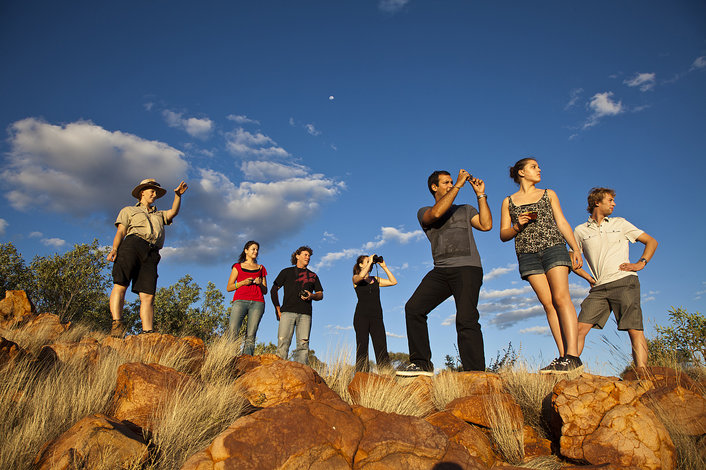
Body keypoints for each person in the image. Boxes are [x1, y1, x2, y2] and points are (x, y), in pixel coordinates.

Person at [398, 169, 492, 377]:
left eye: (451, 182)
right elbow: (436, 214)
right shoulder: (424, 211)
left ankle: (475, 373)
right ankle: (421, 364)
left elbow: (486, 225)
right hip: (441, 270)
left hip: (468, 268)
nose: (450, 185)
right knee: (413, 308)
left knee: (466, 318)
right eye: (446, 183)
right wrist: (458, 184)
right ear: (434, 187)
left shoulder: (466, 209)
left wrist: (480, 195)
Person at [499, 158, 583, 373]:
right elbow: (503, 234)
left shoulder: (548, 194)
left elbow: (561, 222)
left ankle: (573, 355)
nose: (539, 169)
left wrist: (575, 248)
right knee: (548, 304)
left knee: (561, 298)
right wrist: (518, 225)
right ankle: (563, 357)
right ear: (521, 172)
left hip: (553, 247)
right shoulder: (508, 201)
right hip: (527, 254)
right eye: (534, 167)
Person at [572, 188, 657, 370]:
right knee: (578, 329)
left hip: (624, 281)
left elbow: (651, 241)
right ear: (597, 202)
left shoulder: (621, 223)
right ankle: (569, 370)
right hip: (599, 288)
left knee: (634, 329)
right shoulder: (580, 231)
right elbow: (573, 260)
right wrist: (588, 278)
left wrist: (641, 263)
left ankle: (642, 374)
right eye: (610, 200)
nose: (614, 204)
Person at [107, 178, 188, 336]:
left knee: (148, 294)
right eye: (152, 191)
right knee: (121, 284)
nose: (154, 194)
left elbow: (173, 212)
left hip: (152, 252)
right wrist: (115, 249)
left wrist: (178, 196)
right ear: (142, 192)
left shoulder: (159, 214)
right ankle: (117, 323)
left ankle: (148, 333)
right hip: (132, 245)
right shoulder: (128, 210)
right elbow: (121, 231)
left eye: (156, 192)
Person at [270, 246, 323, 364]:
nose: (308, 257)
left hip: (305, 314)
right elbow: (273, 290)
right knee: (283, 343)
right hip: (287, 312)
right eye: (305, 255)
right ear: (297, 256)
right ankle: (279, 371)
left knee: (303, 346)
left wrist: (311, 295)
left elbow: (320, 294)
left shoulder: (313, 275)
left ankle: (300, 373)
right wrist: (277, 308)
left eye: (309, 256)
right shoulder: (286, 272)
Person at [352, 254, 397, 372]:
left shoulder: (375, 279)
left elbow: (393, 282)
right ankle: (362, 374)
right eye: (367, 261)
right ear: (360, 265)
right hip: (361, 316)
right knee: (362, 346)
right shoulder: (356, 279)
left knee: (381, 346)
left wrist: (384, 267)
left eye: (370, 261)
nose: (370, 263)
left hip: (377, 317)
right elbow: (360, 277)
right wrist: (370, 261)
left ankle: (385, 373)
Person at [226, 240, 268, 355]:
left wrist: (260, 283)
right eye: (253, 249)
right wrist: (242, 283)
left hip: (257, 303)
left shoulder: (261, 268)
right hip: (240, 301)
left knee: (251, 335)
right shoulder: (237, 267)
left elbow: (265, 290)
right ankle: (230, 357)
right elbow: (229, 287)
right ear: (246, 251)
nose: (256, 251)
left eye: (257, 250)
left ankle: (247, 359)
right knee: (233, 331)